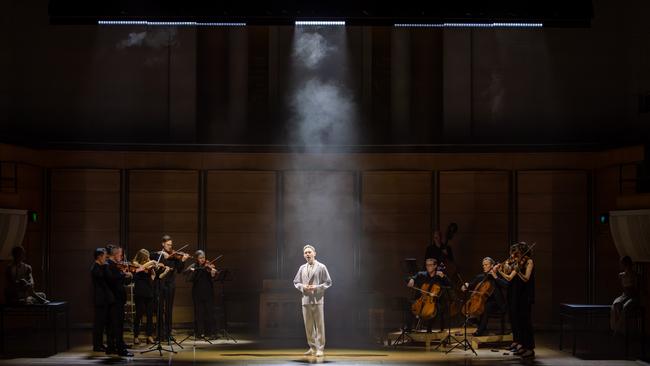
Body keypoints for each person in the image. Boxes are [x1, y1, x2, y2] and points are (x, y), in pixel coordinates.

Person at [497, 242, 535, 359]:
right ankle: (523, 345)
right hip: (518, 295)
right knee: (520, 322)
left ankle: (530, 348)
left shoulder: (529, 261)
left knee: (526, 322)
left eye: (517, 252)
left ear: (522, 251)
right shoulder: (519, 262)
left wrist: (518, 271)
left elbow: (526, 278)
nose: (514, 255)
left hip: (526, 295)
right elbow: (510, 276)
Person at [293, 244, 332, 357]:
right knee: (308, 325)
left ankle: (320, 348)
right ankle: (312, 347)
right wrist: (303, 287)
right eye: (305, 253)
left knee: (319, 325)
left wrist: (316, 287)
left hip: (317, 299)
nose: (307, 254)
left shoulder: (321, 267)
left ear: (314, 253)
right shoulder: (302, 268)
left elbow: (328, 282)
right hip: (305, 300)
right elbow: (296, 282)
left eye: (309, 252)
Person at [461, 257, 508, 336]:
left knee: (486, 307)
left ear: (492, 266)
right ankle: (479, 324)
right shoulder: (480, 277)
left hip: (496, 303)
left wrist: (495, 276)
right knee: (468, 307)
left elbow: (506, 286)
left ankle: (480, 331)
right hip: (482, 301)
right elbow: (471, 285)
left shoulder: (498, 277)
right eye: (483, 265)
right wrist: (466, 285)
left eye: (486, 265)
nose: (484, 266)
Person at [154, 235, 190, 340]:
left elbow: (179, 270)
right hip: (160, 284)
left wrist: (183, 260)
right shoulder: (158, 255)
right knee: (160, 310)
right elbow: (150, 256)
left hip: (170, 284)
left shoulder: (174, 256)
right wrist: (160, 253)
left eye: (171, 245)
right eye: (168, 245)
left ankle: (168, 334)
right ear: (163, 244)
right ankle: (160, 334)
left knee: (169, 310)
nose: (170, 247)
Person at [407, 257, 450, 332]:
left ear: (435, 266)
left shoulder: (439, 276)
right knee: (411, 306)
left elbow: (449, 285)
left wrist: (444, 277)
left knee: (437, 309)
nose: (428, 267)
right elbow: (412, 278)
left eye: (430, 265)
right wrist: (411, 280)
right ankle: (409, 328)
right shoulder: (421, 274)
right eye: (427, 265)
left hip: (435, 300)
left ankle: (429, 329)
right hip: (422, 299)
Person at [105, 244, 134, 357]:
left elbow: (122, 281)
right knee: (117, 325)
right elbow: (112, 280)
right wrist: (123, 275)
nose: (122, 257)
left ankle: (111, 347)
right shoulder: (109, 265)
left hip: (117, 299)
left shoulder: (115, 266)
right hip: (115, 299)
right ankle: (120, 349)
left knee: (114, 325)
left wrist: (127, 276)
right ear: (116, 254)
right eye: (121, 255)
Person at [186, 250, 218, 337]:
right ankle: (200, 332)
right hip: (197, 292)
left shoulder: (208, 266)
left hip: (208, 292)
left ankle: (210, 332)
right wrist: (192, 271)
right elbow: (186, 275)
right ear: (197, 259)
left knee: (209, 312)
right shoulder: (194, 266)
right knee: (199, 313)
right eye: (200, 258)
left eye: (203, 257)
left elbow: (214, 277)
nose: (202, 260)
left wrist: (212, 273)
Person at [132, 249, 158, 345]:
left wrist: (153, 272)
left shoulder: (148, 266)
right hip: (140, 291)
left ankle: (149, 336)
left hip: (148, 291)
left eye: (148, 258)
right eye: (146, 257)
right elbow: (140, 268)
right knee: (139, 314)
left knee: (150, 315)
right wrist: (150, 263)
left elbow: (152, 278)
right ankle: (136, 336)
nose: (148, 259)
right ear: (142, 257)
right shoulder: (135, 263)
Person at [91, 247, 114, 353]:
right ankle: (97, 345)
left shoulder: (100, 266)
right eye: (105, 256)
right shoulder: (95, 268)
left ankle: (100, 344)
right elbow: (102, 278)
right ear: (99, 257)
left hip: (104, 299)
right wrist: (105, 267)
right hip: (100, 299)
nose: (106, 258)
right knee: (99, 324)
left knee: (103, 323)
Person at [610, 256, 639, 335]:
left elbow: (637, 289)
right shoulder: (622, 275)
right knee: (614, 305)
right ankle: (615, 328)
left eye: (622, 263)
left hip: (633, 296)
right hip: (624, 295)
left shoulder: (634, 275)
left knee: (625, 308)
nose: (621, 265)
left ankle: (618, 329)